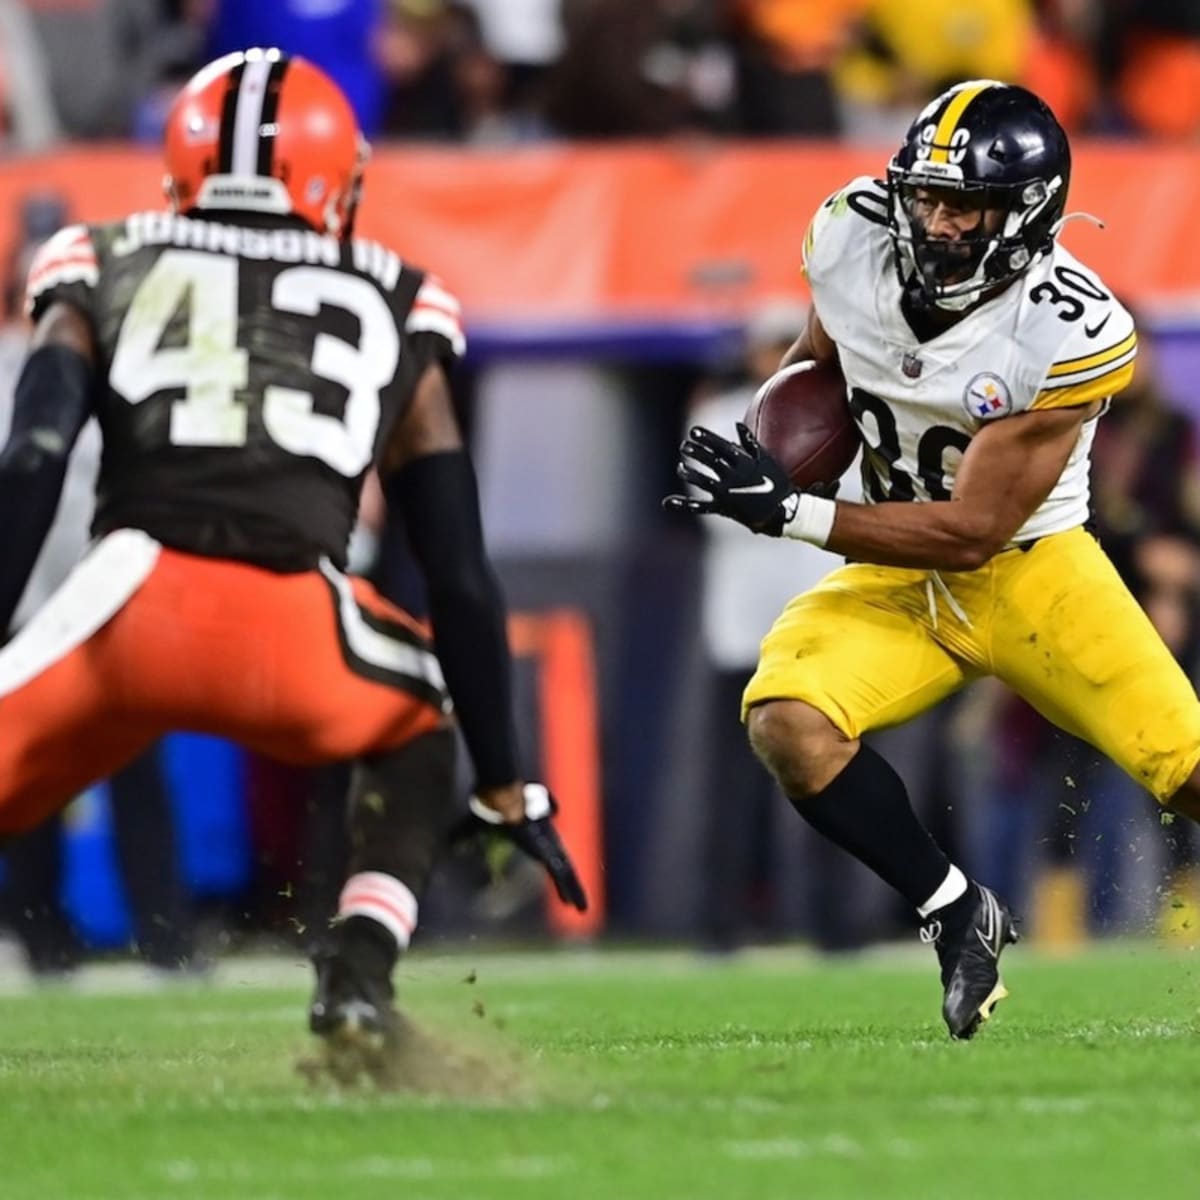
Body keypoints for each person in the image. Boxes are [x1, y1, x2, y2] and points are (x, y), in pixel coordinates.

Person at [0, 47, 585, 1079]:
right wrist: (506, 785)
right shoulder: (398, 297)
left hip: (126, 610)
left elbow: (33, 462)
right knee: (422, 718)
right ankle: (357, 966)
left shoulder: (101, 257)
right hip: (298, 634)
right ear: (332, 178)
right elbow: (456, 569)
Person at [665, 79, 1200, 1040]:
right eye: (927, 197)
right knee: (788, 722)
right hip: (900, 573)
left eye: (968, 207)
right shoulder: (850, 237)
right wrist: (768, 445)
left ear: (1028, 215)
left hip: (1034, 572)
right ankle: (957, 912)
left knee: (1189, 768)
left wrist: (793, 511)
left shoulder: (1070, 330)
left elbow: (973, 531)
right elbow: (821, 364)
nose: (938, 222)